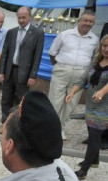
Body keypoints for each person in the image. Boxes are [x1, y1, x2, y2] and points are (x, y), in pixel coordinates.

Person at [48, 11, 98, 141]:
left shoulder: (95, 40)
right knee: (55, 101)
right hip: (62, 70)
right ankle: (50, 128)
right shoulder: (65, 35)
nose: (87, 23)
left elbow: (94, 59)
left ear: (93, 23)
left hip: (81, 74)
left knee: (70, 104)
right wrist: (59, 67)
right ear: (79, 20)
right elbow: (52, 53)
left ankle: (60, 128)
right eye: (85, 20)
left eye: (90, 21)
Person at [67, 34, 108, 180]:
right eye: (104, 46)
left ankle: (84, 170)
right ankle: (94, 160)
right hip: (90, 107)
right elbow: (83, 79)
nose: (106, 49)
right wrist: (72, 92)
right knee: (92, 134)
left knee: (94, 137)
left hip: (104, 108)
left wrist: (102, 92)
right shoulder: (95, 63)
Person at [0, 6, 44, 129]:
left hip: (24, 73)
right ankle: (5, 124)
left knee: (21, 100)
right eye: (19, 18)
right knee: (6, 99)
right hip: (9, 70)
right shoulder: (11, 32)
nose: (21, 20)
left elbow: (37, 56)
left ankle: (17, 124)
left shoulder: (37, 33)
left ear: (30, 17)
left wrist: (33, 75)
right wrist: (1, 72)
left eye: (24, 17)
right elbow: (5, 53)